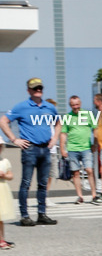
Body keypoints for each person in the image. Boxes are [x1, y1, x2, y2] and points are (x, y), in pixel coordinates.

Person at [0, 78, 59, 226]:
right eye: (35, 88)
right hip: (30, 148)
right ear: (29, 91)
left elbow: (58, 123)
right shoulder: (21, 107)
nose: (38, 90)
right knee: (26, 183)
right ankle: (25, 216)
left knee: (43, 183)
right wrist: (14, 139)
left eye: (40, 88)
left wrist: (54, 139)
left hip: (45, 148)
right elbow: (3, 121)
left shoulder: (49, 107)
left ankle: (42, 214)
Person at [60, 95, 97, 204]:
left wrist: (95, 143)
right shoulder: (67, 117)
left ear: (80, 104)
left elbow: (95, 129)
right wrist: (62, 149)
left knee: (89, 170)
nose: (75, 107)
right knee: (75, 173)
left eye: (77, 104)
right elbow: (63, 134)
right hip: (72, 148)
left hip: (86, 147)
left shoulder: (88, 114)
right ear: (70, 105)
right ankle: (80, 196)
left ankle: (94, 194)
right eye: (73, 105)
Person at [0, 141, 17, 248]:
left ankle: (2, 239)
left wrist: (5, 175)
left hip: (2, 190)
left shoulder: (4, 161)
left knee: (0, 218)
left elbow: (11, 176)